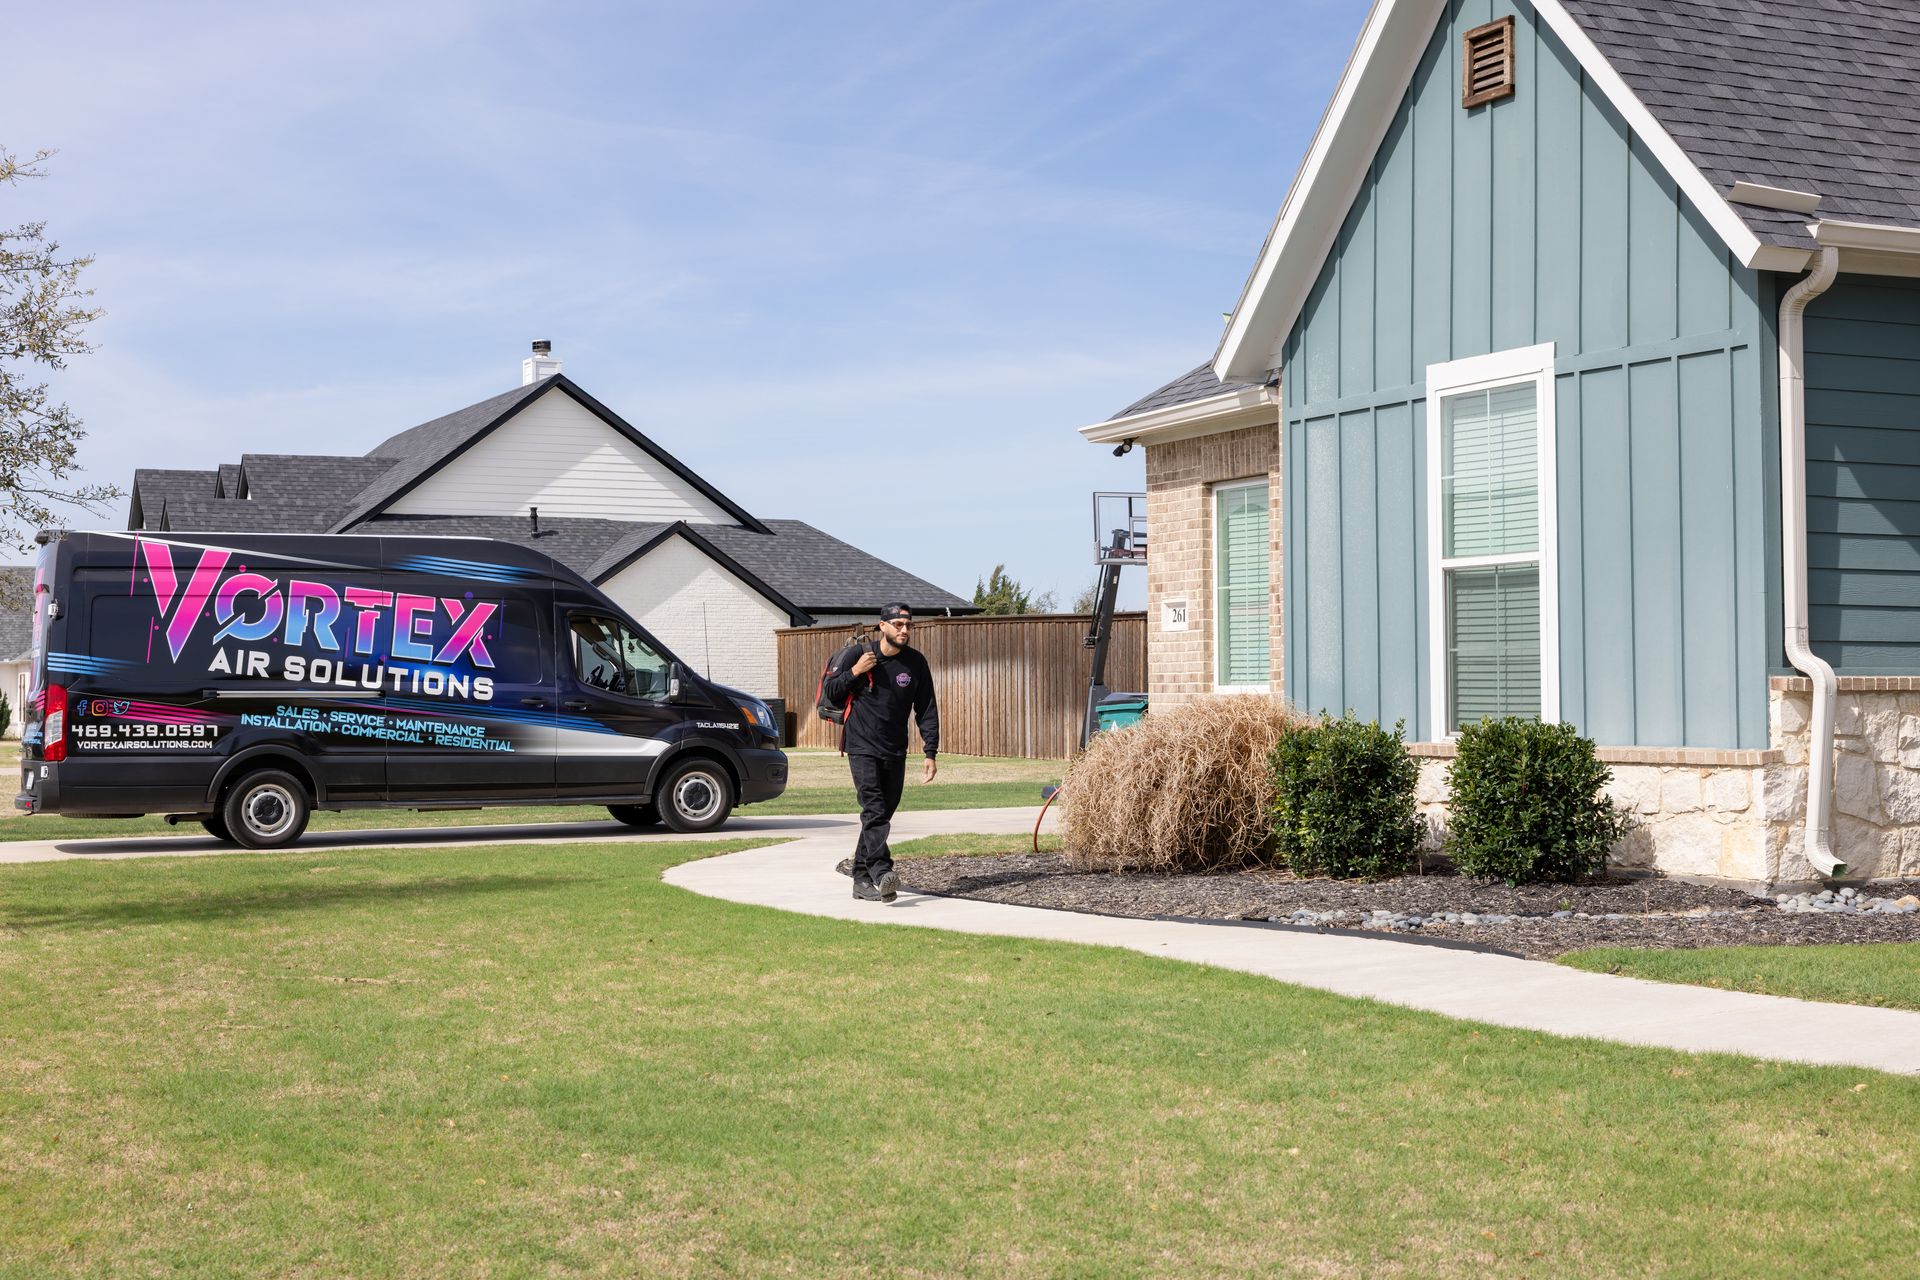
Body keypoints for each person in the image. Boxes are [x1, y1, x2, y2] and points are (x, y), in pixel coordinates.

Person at [821, 602, 940, 902]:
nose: (904, 630)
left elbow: (925, 708)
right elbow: (830, 691)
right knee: (874, 810)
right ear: (882, 626)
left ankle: (860, 879)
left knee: (881, 813)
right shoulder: (860, 656)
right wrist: (855, 672)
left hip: (895, 749)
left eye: (909, 625)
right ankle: (881, 871)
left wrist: (930, 752)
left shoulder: (915, 663)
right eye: (898, 625)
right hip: (861, 746)